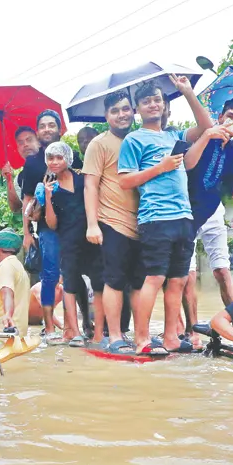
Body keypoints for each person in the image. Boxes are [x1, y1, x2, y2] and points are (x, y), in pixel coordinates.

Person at [116, 76, 215, 354]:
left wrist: (187, 92)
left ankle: (171, 337)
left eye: (157, 99)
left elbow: (207, 128)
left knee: (178, 281)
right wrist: (160, 167)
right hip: (156, 218)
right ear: (137, 109)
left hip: (184, 217)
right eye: (146, 101)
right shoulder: (134, 140)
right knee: (155, 278)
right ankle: (143, 340)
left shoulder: (175, 137)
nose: (153, 104)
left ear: (164, 104)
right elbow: (125, 181)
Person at [182, 97, 233, 332]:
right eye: (230, 116)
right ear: (220, 117)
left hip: (213, 212)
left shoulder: (232, 152)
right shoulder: (204, 136)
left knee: (222, 270)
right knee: (188, 275)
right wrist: (208, 134)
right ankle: (193, 331)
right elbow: (187, 164)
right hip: (186, 212)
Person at [83, 89, 141, 354]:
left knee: (139, 282)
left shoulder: (141, 139)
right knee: (114, 280)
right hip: (112, 221)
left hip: (143, 223)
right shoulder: (99, 144)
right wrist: (92, 224)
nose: (121, 114)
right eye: (115, 110)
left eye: (125, 108)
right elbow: (90, 186)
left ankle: (141, 336)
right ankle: (115, 336)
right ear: (106, 116)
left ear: (133, 111)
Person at [35, 141, 104, 346]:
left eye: (59, 157)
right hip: (68, 240)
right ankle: (73, 331)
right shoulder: (51, 188)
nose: (54, 162)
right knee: (70, 285)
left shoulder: (84, 180)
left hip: (91, 237)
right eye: (50, 158)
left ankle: (99, 331)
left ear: (68, 158)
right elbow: (52, 224)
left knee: (99, 283)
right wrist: (47, 197)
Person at [4, 126, 42, 216]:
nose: (25, 144)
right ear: (18, 149)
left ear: (39, 142)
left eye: (29, 140)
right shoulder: (19, 178)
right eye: (20, 143)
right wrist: (9, 180)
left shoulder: (53, 163)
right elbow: (16, 208)